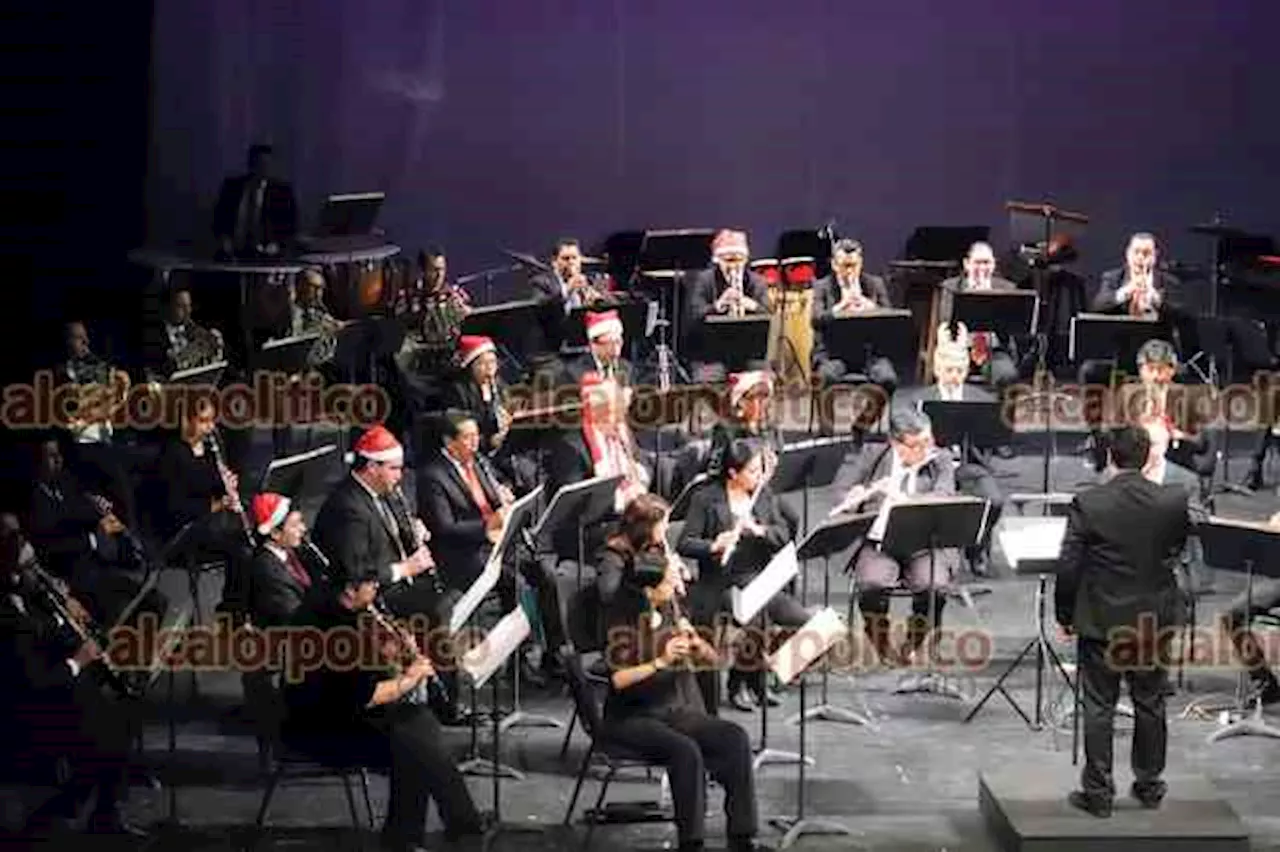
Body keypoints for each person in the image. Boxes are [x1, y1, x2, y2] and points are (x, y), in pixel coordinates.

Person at [282, 559, 490, 852]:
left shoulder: (334, 609)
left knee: (417, 730)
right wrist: (411, 676)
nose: (377, 588)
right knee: (415, 737)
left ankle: (425, 833)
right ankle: (442, 829)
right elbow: (364, 695)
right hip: (320, 727)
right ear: (350, 591)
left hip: (339, 711)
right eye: (371, 584)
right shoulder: (334, 631)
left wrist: (394, 651)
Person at [601, 504, 764, 852]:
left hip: (673, 709)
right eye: (669, 581)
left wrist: (705, 648)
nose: (677, 584)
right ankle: (692, 842)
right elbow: (618, 680)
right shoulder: (623, 617)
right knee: (685, 752)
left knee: (734, 737)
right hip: (632, 716)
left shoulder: (670, 608)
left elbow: (711, 660)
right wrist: (661, 661)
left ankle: (742, 836)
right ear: (649, 588)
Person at [1055, 426, 1189, 817]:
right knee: (1150, 701)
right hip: (1153, 618)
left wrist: (1065, 615)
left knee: (1099, 705)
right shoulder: (1172, 500)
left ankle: (1098, 793)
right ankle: (1149, 785)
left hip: (1101, 619)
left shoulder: (1089, 502)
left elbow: (1069, 565)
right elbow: (1175, 550)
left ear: (1110, 456)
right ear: (1148, 457)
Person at [0, 520, 146, 839]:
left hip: (58, 685)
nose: (39, 574)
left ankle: (99, 808)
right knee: (110, 725)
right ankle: (72, 807)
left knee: (124, 707)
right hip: (27, 704)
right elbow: (32, 681)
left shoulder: (32, 596)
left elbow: (54, 636)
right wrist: (78, 661)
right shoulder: (6, 614)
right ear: (11, 572)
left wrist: (70, 614)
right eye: (30, 567)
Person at [678, 440, 807, 713]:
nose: (758, 477)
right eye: (751, 471)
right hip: (720, 582)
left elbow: (784, 535)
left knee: (810, 623)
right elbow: (685, 542)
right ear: (733, 473)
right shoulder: (706, 498)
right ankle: (747, 682)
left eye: (759, 470)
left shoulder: (763, 495)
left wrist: (758, 531)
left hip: (759, 578)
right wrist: (714, 545)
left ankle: (753, 674)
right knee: (756, 620)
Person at [832, 407, 958, 666]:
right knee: (872, 585)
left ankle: (916, 638)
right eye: (916, 445)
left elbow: (945, 495)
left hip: (924, 544)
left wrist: (905, 500)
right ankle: (879, 638)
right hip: (879, 543)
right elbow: (840, 491)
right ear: (895, 443)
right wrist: (853, 497)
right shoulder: (870, 456)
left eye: (928, 441)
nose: (925, 450)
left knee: (935, 586)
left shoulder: (940, 459)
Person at [810, 238, 897, 435]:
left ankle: (862, 426)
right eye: (844, 266)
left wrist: (871, 307)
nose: (849, 271)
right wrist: (840, 307)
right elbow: (815, 320)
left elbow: (890, 319)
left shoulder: (874, 284)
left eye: (854, 265)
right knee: (824, 377)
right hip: (833, 354)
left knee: (888, 379)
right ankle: (827, 434)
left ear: (861, 263)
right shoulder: (822, 286)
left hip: (868, 354)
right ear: (834, 264)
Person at [936, 241, 1021, 393]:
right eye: (977, 263)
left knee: (1008, 375)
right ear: (967, 264)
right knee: (951, 375)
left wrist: (989, 298)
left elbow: (1012, 326)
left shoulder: (1007, 288)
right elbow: (945, 319)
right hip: (959, 350)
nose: (982, 268)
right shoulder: (951, 287)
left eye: (986, 263)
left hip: (993, 349)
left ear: (994, 265)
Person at [213, 143, 298, 259]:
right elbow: (219, 220)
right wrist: (224, 240)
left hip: (268, 255)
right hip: (231, 253)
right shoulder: (232, 188)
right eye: (259, 164)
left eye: (266, 164)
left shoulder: (282, 192)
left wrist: (277, 245)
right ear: (250, 164)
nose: (263, 168)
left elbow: (290, 227)